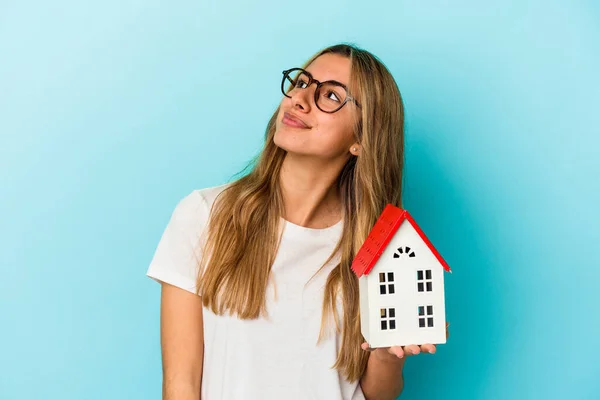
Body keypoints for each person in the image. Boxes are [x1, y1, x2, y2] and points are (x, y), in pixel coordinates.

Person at [146, 43, 447, 400]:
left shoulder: (377, 248)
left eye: (331, 95)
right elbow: (180, 384)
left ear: (362, 140)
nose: (300, 99)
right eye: (302, 82)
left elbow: (375, 394)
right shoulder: (204, 214)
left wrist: (386, 354)